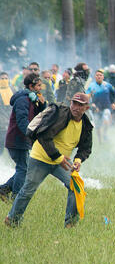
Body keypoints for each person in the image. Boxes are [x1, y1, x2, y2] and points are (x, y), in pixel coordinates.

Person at [4, 92, 92, 228]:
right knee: (28, 190)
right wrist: (58, 157)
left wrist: (78, 160)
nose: (76, 107)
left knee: (75, 187)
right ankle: (12, 219)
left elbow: (86, 147)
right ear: (70, 103)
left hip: (61, 162)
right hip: (41, 157)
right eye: (74, 103)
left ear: (87, 108)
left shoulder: (86, 125)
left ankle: (70, 224)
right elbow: (44, 136)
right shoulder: (61, 115)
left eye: (80, 105)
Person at [0, 73, 46, 202]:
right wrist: (31, 134)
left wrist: (42, 105)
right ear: (31, 86)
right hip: (17, 140)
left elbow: (40, 115)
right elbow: (22, 121)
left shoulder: (32, 99)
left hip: (23, 140)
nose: (40, 88)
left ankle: (4, 189)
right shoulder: (22, 100)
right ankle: (16, 197)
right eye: (38, 85)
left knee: (23, 168)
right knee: (23, 169)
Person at [86, 70, 115, 143]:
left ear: (103, 77)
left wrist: (114, 103)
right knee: (98, 125)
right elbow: (87, 96)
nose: (99, 76)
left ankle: (105, 134)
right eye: (97, 75)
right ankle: (100, 141)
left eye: (100, 75)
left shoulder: (108, 85)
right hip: (96, 108)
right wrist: (91, 104)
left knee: (106, 121)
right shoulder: (91, 86)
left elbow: (114, 94)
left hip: (106, 107)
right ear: (95, 77)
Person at [0, 72, 13, 155]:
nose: (4, 80)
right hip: (1, 123)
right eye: (2, 78)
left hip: (11, 121)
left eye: (6, 78)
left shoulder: (12, 90)